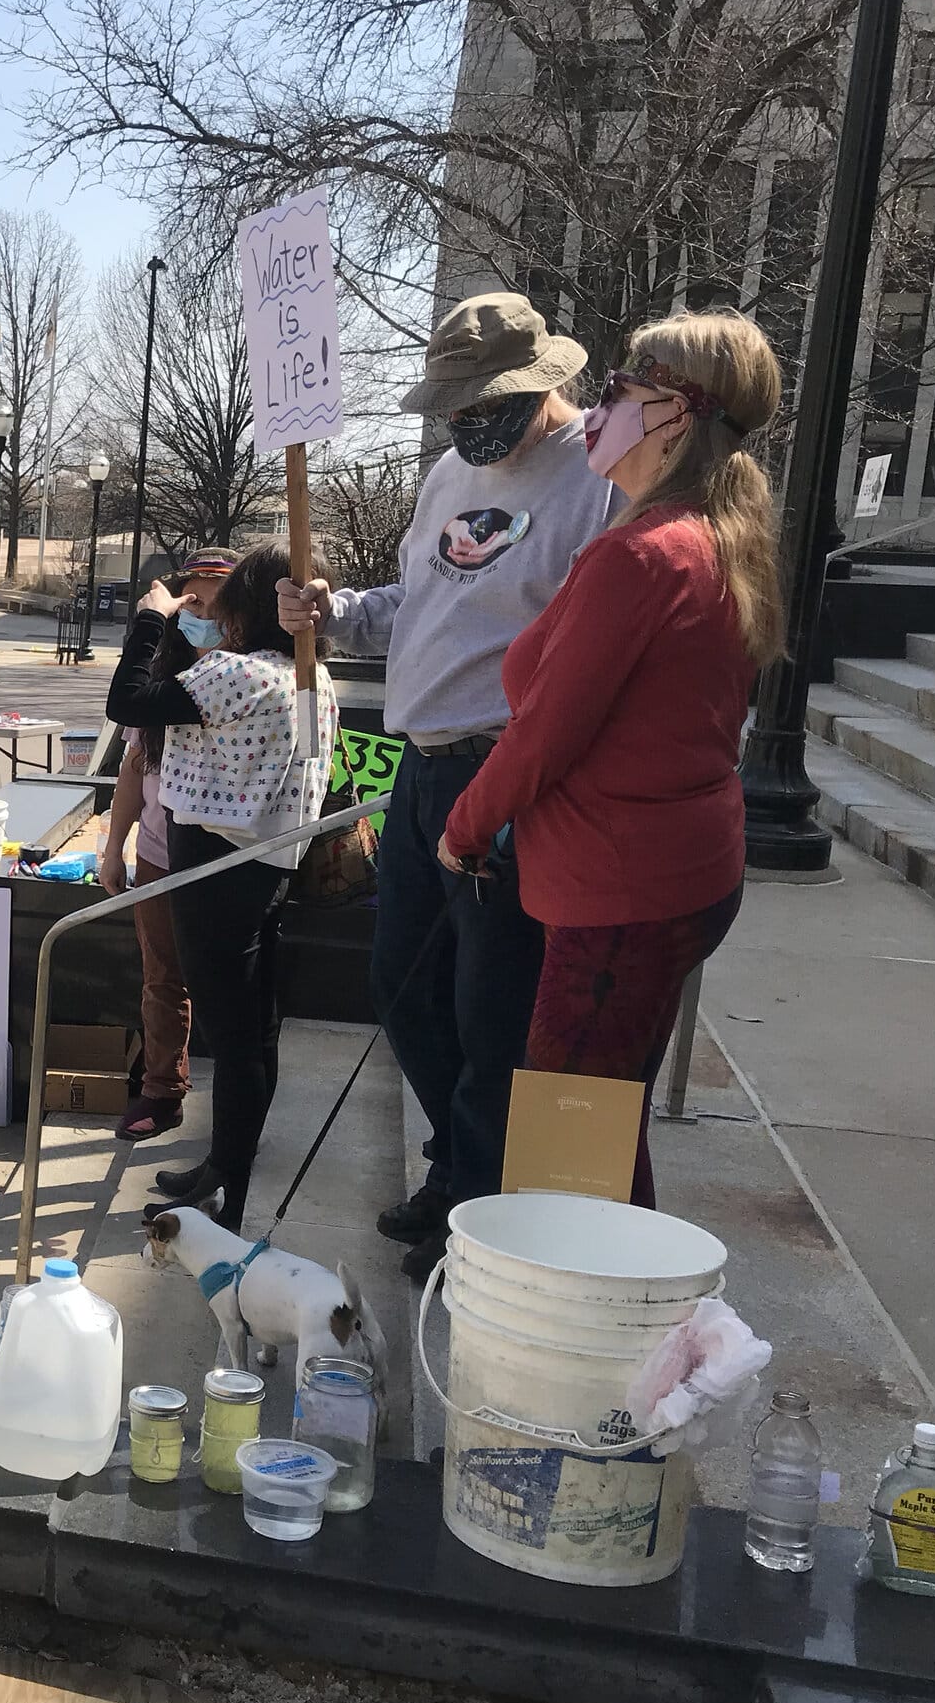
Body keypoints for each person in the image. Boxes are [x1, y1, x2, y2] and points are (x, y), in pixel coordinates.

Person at [277, 292, 619, 1279]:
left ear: (541, 383)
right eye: (454, 405)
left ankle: (477, 1210)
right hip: (421, 769)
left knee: (490, 1009)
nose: (467, 421)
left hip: (506, 773)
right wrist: (336, 612)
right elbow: (420, 601)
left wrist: (527, 779)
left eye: (484, 402)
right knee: (401, 986)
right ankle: (457, 1163)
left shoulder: (597, 477)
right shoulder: (446, 476)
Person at [441, 312, 783, 1211]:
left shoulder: (643, 556)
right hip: (670, 877)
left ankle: (597, 1297)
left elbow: (545, 731)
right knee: (599, 1130)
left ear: (674, 413)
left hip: (621, 897)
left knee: (569, 1156)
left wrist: (464, 827)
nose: (598, 411)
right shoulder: (709, 537)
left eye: (619, 390)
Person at [106, 546, 339, 1232]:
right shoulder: (307, 673)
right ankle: (227, 1166)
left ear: (246, 607)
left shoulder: (237, 673)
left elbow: (127, 701)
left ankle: (225, 1188)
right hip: (266, 862)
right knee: (255, 1027)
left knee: (232, 1037)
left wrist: (151, 621)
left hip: (217, 864)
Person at [99, 696, 196, 1145]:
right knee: (161, 977)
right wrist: (113, 850)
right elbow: (133, 769)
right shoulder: (158, 692)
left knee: (229, 984)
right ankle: (162, 1091)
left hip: (232, 856)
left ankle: (239, 1112)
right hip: (158, 853)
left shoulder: (243, 679)